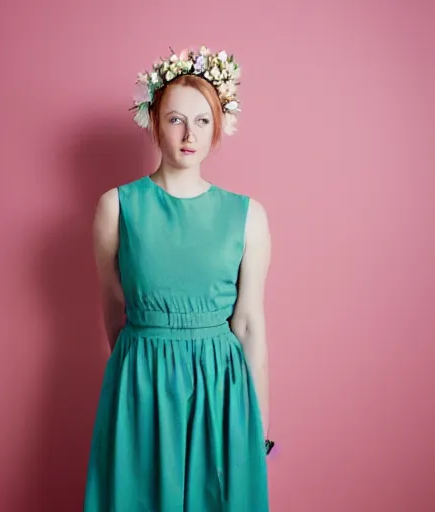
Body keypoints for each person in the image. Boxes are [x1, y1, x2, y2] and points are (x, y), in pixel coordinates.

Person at [84, 45, 272, 511]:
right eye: (175, 119)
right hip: (141, 384)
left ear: (217, 127)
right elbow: (114, 310)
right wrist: (144, 366)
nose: (189, 134)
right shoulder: (116, 207)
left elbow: (248, 324)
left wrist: (256, 427)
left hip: (221, 391)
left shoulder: (247, 215)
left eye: (202, 120)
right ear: (154, 122)